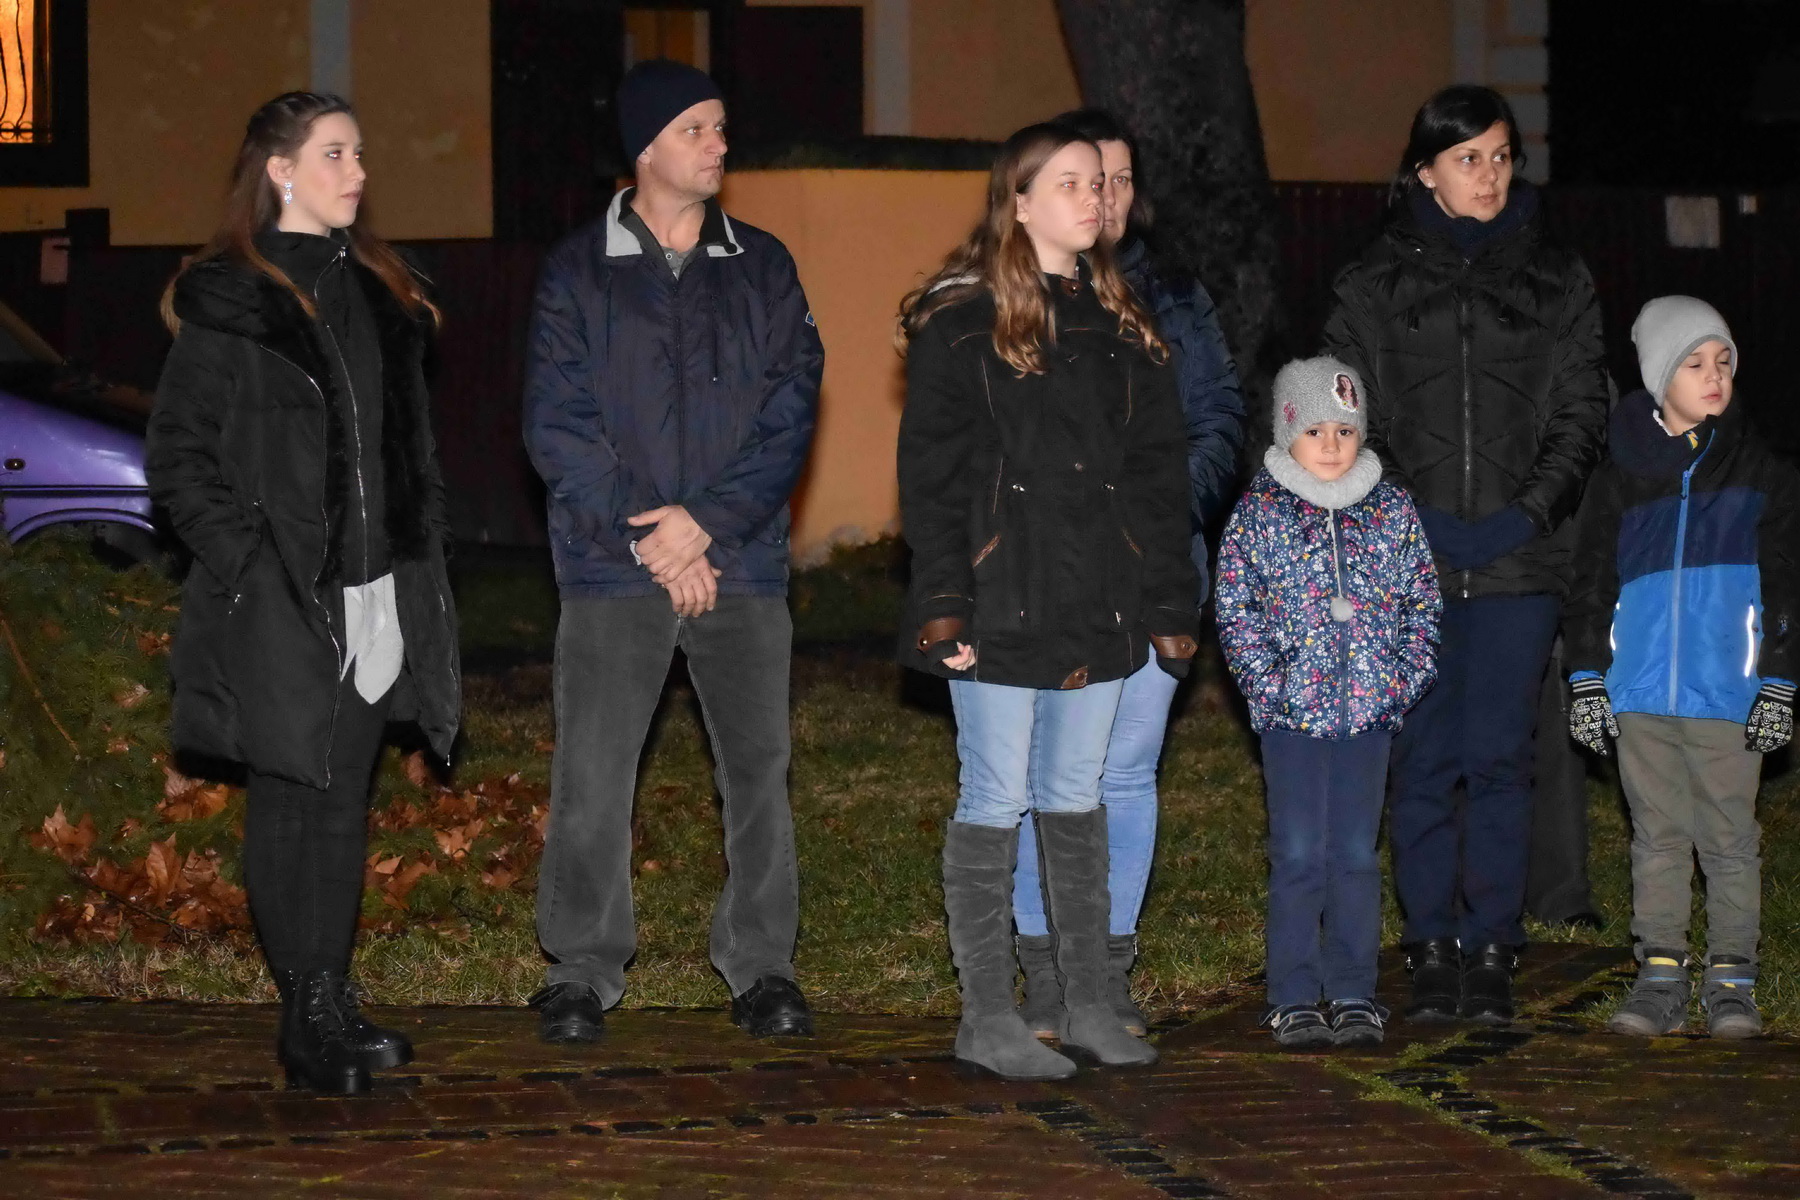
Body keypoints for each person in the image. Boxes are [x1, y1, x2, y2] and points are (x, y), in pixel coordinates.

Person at [147, 92, 460, 1094]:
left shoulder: (377, 293)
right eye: (335, 153)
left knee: (341, 805)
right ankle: (308, 1014)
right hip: (285, 597)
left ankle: (325, 999)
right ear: (280, 170)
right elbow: (178, 457)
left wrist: (410, 572)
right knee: (291, 797)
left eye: (359, 153)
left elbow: (404, 456)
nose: (357, 171)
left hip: (377, 592)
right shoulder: (233, 300)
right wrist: (253, 569)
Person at [522, 60, 823, 1045]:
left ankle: (763, 966)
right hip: (615, 564)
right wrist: (655, 534)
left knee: (758, 774)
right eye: (697, 128)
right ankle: (581, 968)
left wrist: (710, 524)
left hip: (740, 561)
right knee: (595, 775)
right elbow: (557, 424)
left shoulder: (764, 266)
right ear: (646, 147)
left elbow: (791, 408)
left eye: (721, 126)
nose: (718, 144)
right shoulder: (577, 270)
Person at [896, 122, 1197, 1081]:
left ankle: (1088, 1000)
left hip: (1098, 600)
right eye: (1068, 183)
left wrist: (1168, 602)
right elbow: (933, 479)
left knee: (1077, 796)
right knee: (996, 795)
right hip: (1000, 600)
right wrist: (944, 601)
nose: (1092, 198)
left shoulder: (1125, 329)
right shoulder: (962, 326)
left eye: (1098, 184)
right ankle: (987, 1015)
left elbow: (1157, 481)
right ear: (1018, 203)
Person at [1322, 84, 1609, 1023]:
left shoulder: (1559, 279)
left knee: (1500, 761)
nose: (1489, 176)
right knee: (1423, 759)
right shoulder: (1370, 283)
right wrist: (1417, 519)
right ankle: (1430, 943)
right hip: (1411, 560)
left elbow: (1581, 412)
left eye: (1501, 156)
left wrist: (1525, 516)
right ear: (1425, 172)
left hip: (1520, 562)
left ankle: (1492, 946)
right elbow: (1347, 415)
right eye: (1467, 158)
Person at [1008, 109, 1245, 1040]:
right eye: (1088, 177)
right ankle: (1044, 971)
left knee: (1125, 769)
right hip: (1049, 574)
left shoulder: (1175, 296)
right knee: (1042, 769)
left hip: (1156, 569)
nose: (1106, 197)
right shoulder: (1012, 295)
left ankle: (1105, 968)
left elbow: (1217, 419)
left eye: (1120, 179)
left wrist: (1154, 517)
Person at [1564, 297, 1796, 1039]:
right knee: (1658, 836)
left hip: (1728, 691)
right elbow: (1590, 583)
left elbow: (1787, 584)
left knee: (1729, 837)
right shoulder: (1619, 480)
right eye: (1695, 363)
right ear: (1659, 377)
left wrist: (1779, 680)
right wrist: (1586, 675)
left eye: (1724, 361)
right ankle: (1660, 973)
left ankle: (1732, 979)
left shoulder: (1762, 473)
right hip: (1638, 693)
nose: (1714, 375)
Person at [1215, 357, 1440, 1048]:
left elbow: (1422, 601)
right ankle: (1292, 992)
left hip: (1368, 716)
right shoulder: (1261, 512)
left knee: (1354, 854)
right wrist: (1270, 685)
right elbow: (1236, 607)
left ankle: (1352, 989)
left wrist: (1399, 680)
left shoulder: (1391, 510)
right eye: (1315, 430)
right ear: (1287, 434)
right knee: (1298, 852)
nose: (1332, 444)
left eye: (1344, 430)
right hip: (1293, 720)